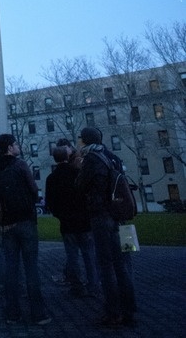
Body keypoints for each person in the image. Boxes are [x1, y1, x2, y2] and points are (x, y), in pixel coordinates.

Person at [0, 134, 51, 325]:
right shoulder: (20, 165)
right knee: (31, 268)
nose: (18, 146)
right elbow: (33, 190)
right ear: (9, 147)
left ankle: (12, 313)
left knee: (10, 270)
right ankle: (38, 313)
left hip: (6, 225)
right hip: (26, 223)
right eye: (15, 144)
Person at [76, 127, 137, 328]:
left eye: (79, 139)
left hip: (102, 216)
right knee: (123, 266)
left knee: (106, 265)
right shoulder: (112, 156)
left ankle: (113, 313)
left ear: (84, 141)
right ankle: (129, 311)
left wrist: (79, 169)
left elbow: (80, 187)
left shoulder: (91, 160)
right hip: (121, 217)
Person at [45, 146, 100, 297]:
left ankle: (77, 286)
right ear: (68, 156)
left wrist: (61, 215)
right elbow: (87, 195)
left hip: (67, 224)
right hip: (83, 221)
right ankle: (93, 285)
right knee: (89, 255)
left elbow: (50, 203)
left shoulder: (52, 178)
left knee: (72, 256)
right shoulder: (77, 173)